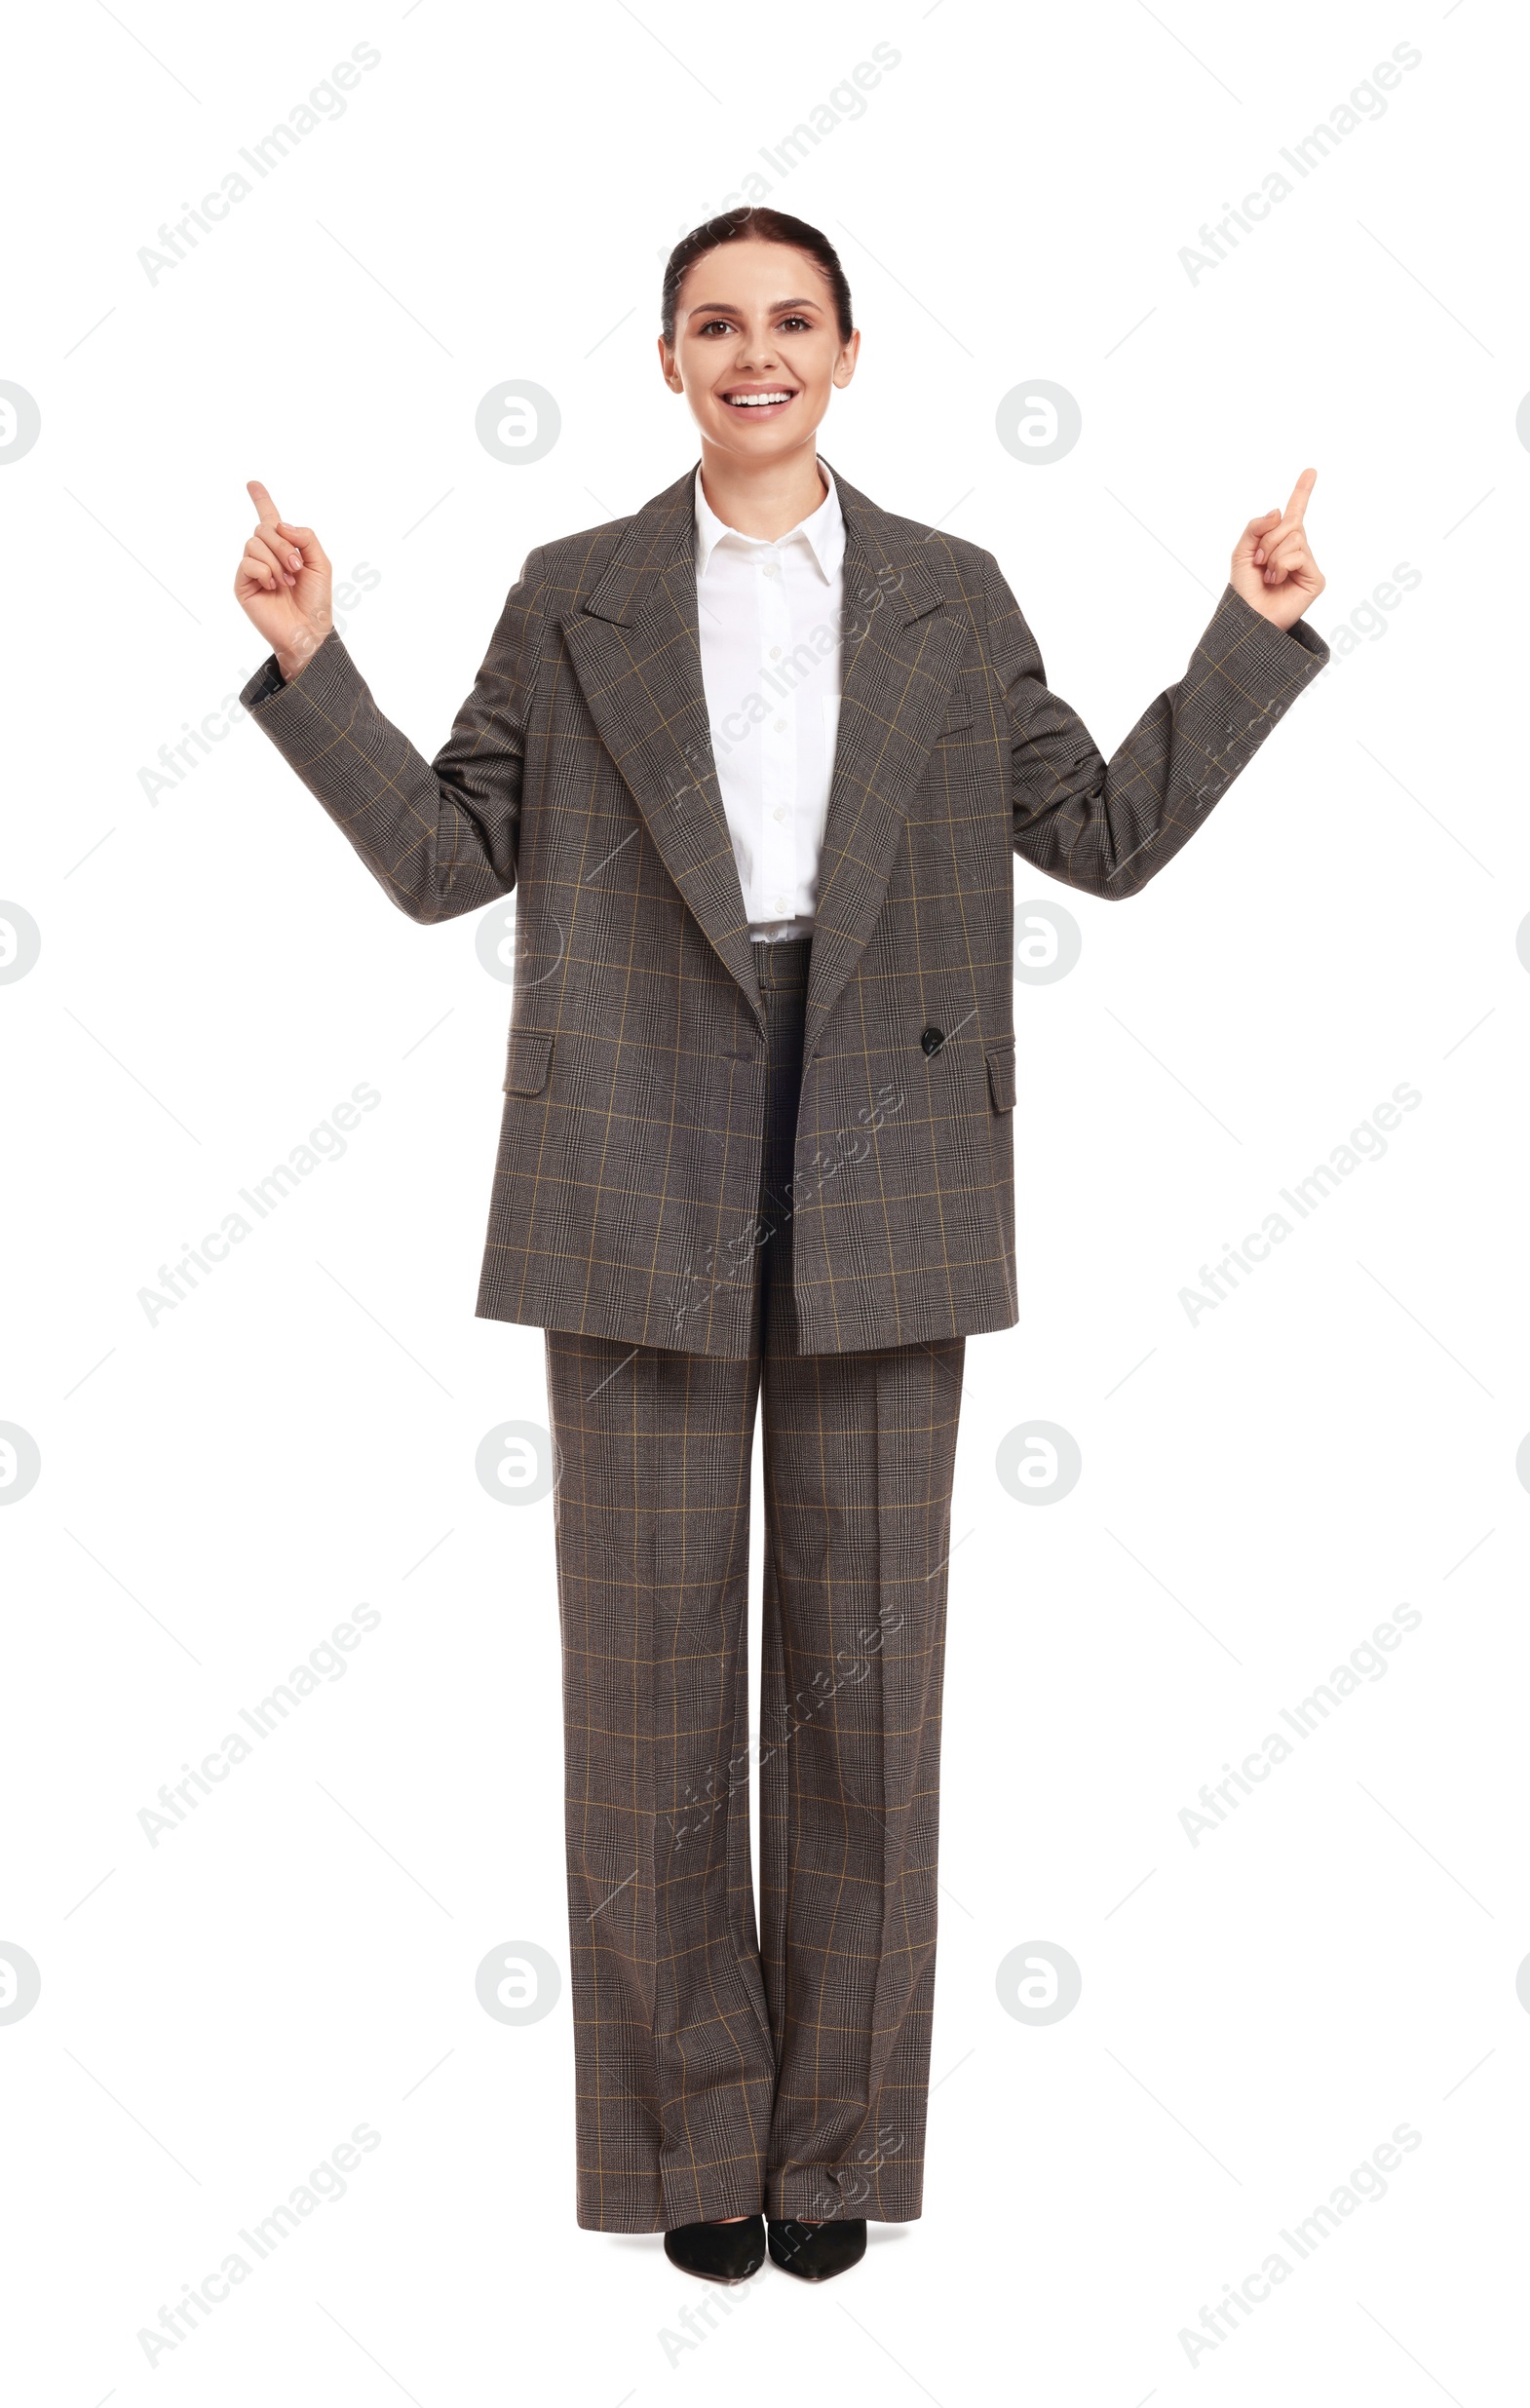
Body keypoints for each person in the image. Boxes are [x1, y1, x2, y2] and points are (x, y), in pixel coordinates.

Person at [234, 206, 1327, 2286]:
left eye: (789, 322)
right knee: (646, 1697)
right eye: (714, 325)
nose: (753, 353)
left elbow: (1094, 831)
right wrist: (316, 667)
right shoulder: (576, 597)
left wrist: (1243, 634)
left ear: (846, 353)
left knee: (865, 1693)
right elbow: (446, 855)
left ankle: (827, 2154)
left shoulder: (942, 592)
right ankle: (688, 2158)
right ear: (664, 361)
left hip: (887, 1150)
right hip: (629, 1152)